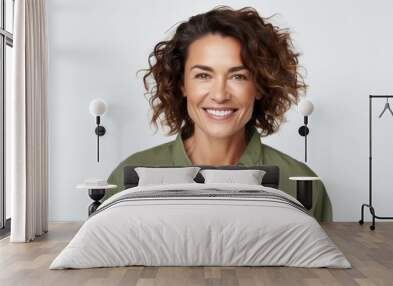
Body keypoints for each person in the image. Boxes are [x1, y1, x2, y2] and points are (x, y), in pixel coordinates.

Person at [103, 6, 332, 221]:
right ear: (182, 84)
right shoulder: (126, 178)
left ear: (260, 86)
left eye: (238, 76)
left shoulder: (302, 183)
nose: (220, 95)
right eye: (203, 75)